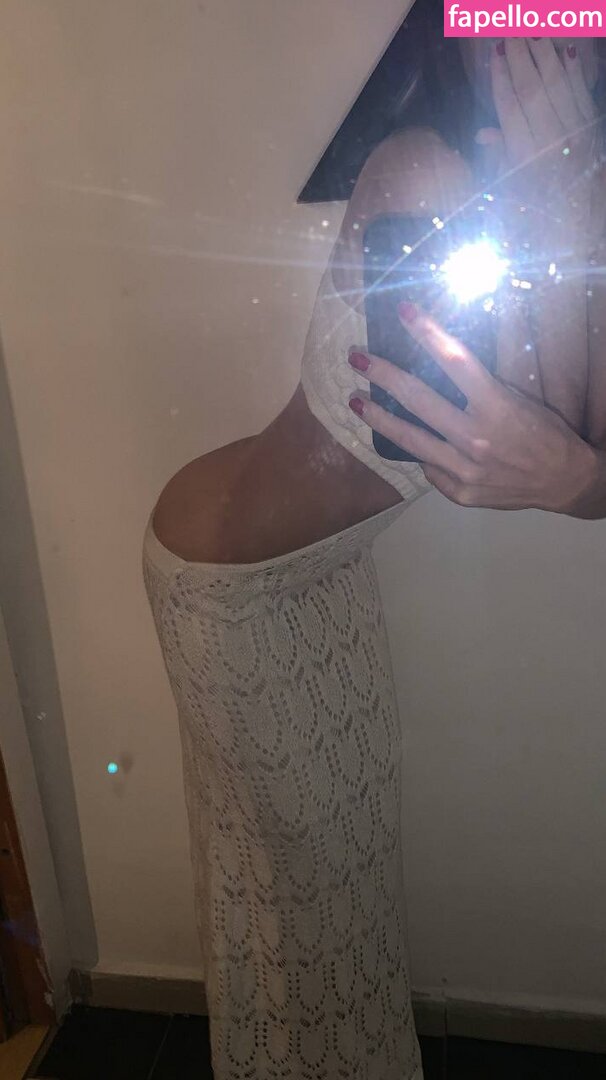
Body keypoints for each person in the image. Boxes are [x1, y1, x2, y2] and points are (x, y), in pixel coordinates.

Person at [142, 24, 606, 1080]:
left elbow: (579, 471)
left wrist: (577, 186)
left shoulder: (573, 196)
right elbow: (502, 448)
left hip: (326, 569)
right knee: (287, 914)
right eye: (506, 17)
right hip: (226, 586)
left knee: (347, 891)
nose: (537, 42)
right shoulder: (422, 171)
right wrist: (570, 180)